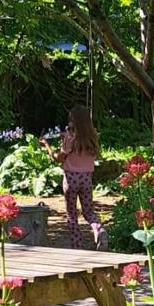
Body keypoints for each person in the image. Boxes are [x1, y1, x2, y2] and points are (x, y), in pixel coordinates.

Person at [46, 105, 102, 250]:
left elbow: (59, 158)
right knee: (89, 212)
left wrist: (47, 146)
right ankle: (99, 229)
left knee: (71, 214)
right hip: (87, 178)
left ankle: (77, 246)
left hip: (71, 178)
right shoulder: (92, 137)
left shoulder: (70, 138)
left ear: (74, 121)